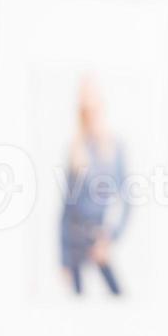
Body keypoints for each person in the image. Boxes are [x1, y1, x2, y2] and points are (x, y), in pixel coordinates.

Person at [60, 76, 130, 297]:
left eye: (94, 107)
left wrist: (110, 237)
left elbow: (127, 202)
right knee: (78, 303)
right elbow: (65, 210)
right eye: (85, 108)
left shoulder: (115, 148)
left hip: (100, 238)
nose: (90, 114)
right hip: (74, 243)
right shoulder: (75, 149)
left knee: (119, 297)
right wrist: (62, 259)